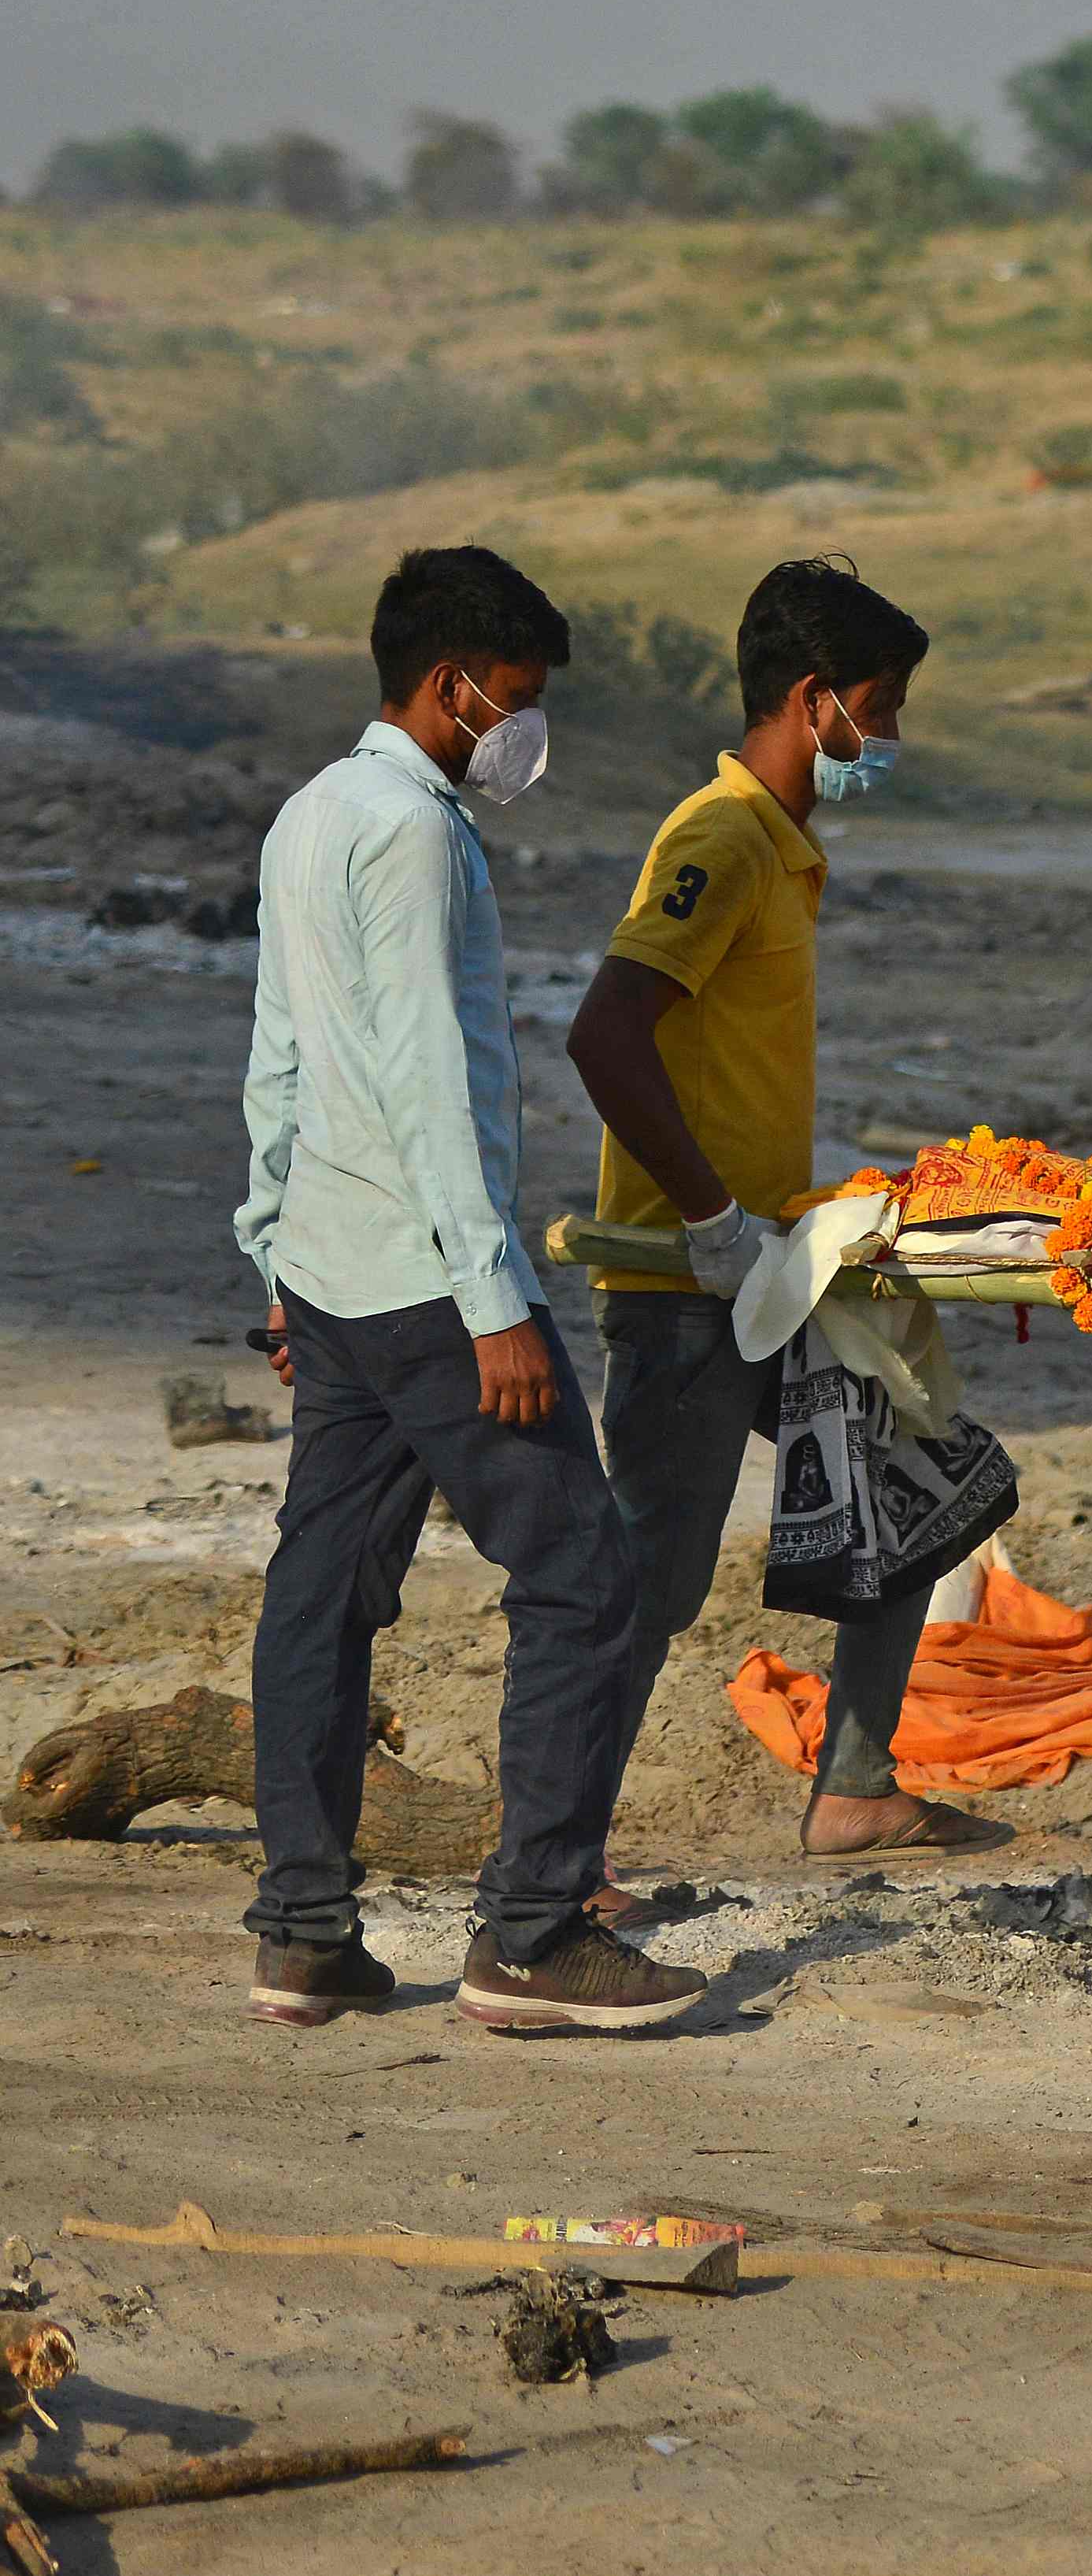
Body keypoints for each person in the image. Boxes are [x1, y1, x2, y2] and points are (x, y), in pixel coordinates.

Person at [235, 547, 709, 2033]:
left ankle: (304, 1931)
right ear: (451, 685)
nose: (522, 729)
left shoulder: (310, 816)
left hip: (330, 1268)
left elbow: (281, 1053)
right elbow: (429, 1081)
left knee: (323, 1586)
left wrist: (269, 1245)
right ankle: (533, 1928)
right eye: (516, 700)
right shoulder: (416, 836)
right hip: (429, 1283)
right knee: (582, 1571)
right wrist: (493, 1293)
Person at [565, 556, 994, 1861]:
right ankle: (551, 1860)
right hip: (690, 1280)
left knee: (919, 1468)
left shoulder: (783, 848)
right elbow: (606, 1033)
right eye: (882, 705)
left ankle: (856, 1785)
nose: (893, 735)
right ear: (816, 702)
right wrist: (707, 1217)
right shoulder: (720, 836)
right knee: (652, 1584)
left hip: (775, 1268)